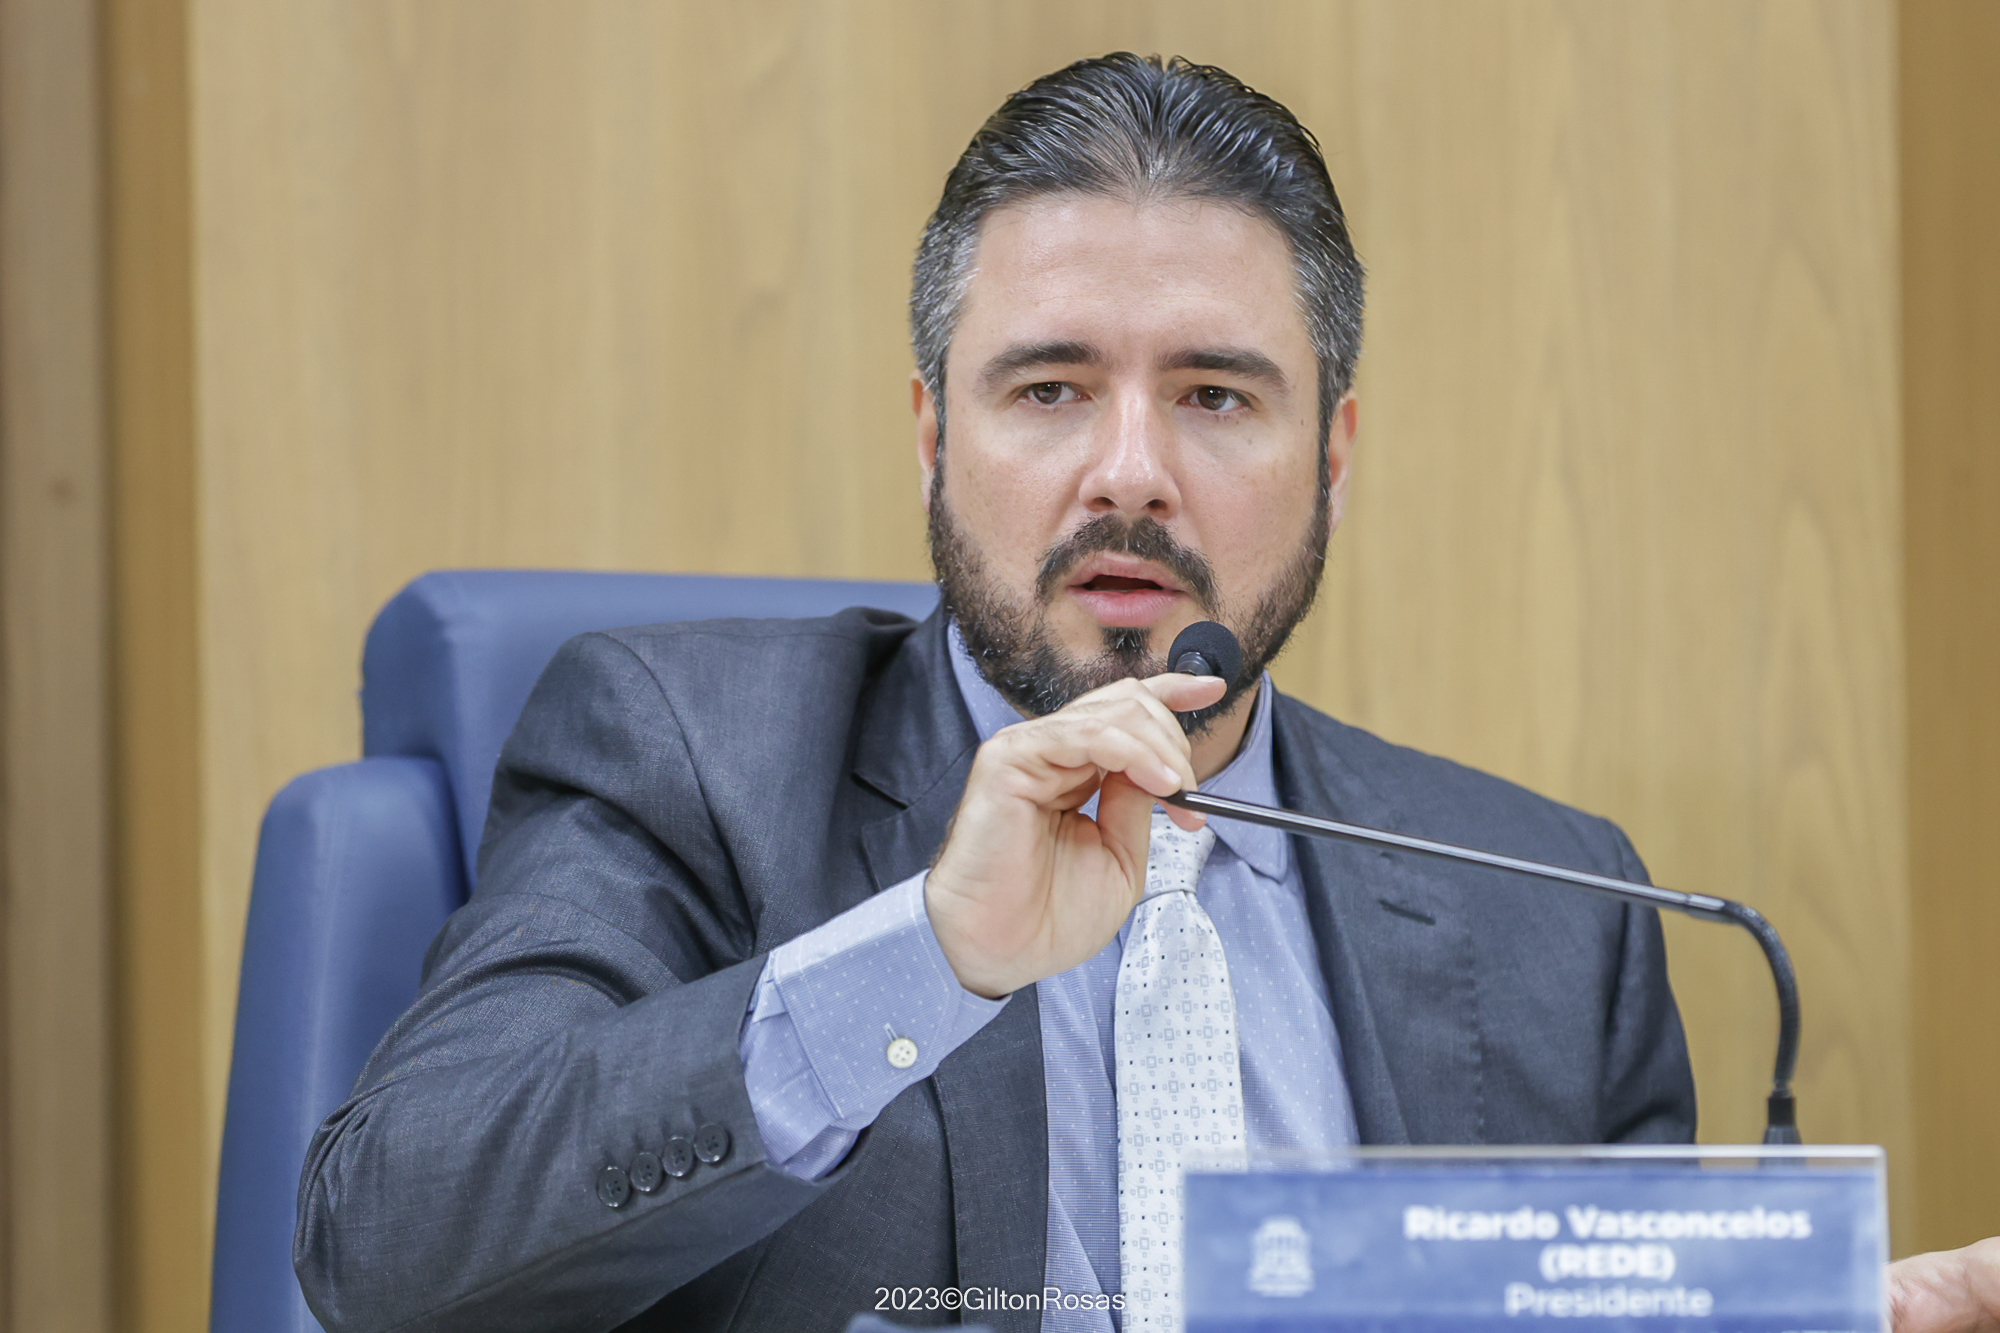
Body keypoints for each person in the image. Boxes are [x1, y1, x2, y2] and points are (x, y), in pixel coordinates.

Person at [294, 54, 1694, 1332]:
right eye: (1049, 390)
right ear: (932, 439)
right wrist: (928, 954)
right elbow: (388, 1248)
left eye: (1215, 396)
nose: (1130, 473)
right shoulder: (693, 756)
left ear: (1332, 459)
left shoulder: (1556, 911)